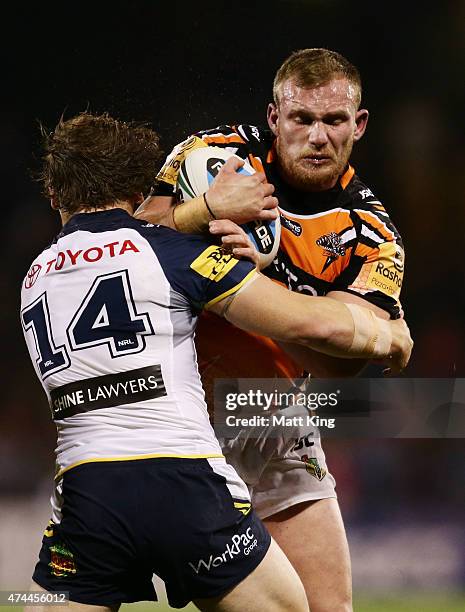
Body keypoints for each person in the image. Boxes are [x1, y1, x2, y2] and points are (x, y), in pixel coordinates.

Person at [21, 112, 411, 612]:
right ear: (139, 189)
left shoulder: (35, 277)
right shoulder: (172, 254)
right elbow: (309, 325)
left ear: (54, 198)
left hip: (86, 491)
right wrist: (389, 337)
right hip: (183, 480)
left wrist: (194, 213)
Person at [136, 48, 408, 611]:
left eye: (333, 121)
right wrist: (201, 210)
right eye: (301, 119)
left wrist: (260, 280)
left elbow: (343, 362)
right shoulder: (213, 155)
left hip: (276, 417)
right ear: (273, 118)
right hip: (187, 419)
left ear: (357, 125)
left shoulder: (373, 235)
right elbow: (126, 247)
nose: (316, 136)